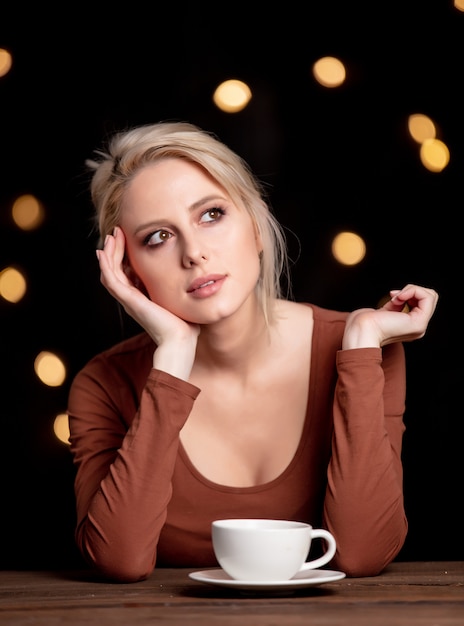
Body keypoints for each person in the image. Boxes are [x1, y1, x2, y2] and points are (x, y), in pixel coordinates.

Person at [67, 121, 438, 583]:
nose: (194, 253)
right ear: (130, 273)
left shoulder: (363, 347)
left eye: (211, 215)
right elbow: (116, 559)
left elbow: (363, 554)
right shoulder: (102, 384)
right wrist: (174, 360)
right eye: (157, 238)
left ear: (258, 226)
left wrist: (361, 340)